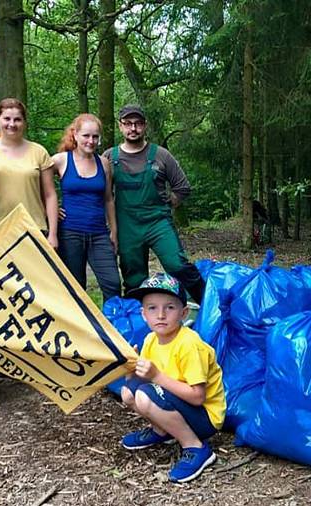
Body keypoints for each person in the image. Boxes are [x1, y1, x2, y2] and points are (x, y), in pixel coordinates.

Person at [119, 272, 225, 483]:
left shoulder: (188, 345)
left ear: (184, 313)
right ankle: (162, 430)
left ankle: (195, 447)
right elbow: (141, 381)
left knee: (144, 395)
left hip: (204, 417)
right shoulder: (151, 339)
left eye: (169, 307)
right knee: (128, 392)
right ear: (143, 314)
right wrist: (130, 369)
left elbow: (197, 397)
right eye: (152, 308)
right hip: (177, 403)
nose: (160, 315)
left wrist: (156, 375)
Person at [103, 105, 205, 304]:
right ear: (120, 126)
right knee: (134, 278)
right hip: (126, 226)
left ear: (145, 126)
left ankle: (208, 305)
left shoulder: (161, 155)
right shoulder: (109, 157)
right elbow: (98, 191)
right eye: (128, 124)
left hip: (158, 223)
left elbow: (182, 187)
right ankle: (139, 321)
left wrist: (170, 202)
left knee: (177, 265)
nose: (133, 128)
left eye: (138, 124)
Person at [53, 114, 121, 302]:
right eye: (86, 136)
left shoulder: (104, 163)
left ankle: (111, 326)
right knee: (75, 287)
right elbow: (36, 182)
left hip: (99, 233)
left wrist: (114, 231)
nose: (91, 141)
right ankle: (81, 330)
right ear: (75, 134)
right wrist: (49, 208)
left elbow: (108, 199)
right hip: (70, 232)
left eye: (95, 137)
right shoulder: (60, 160)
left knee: (113, 284)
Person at [0, 98, 58, 247]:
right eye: (7, 119)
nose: (12, 124)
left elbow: (50, 194)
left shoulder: (39, 151)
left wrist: (53, 234)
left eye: (17, 120)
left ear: (24, 122)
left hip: (33, 228)